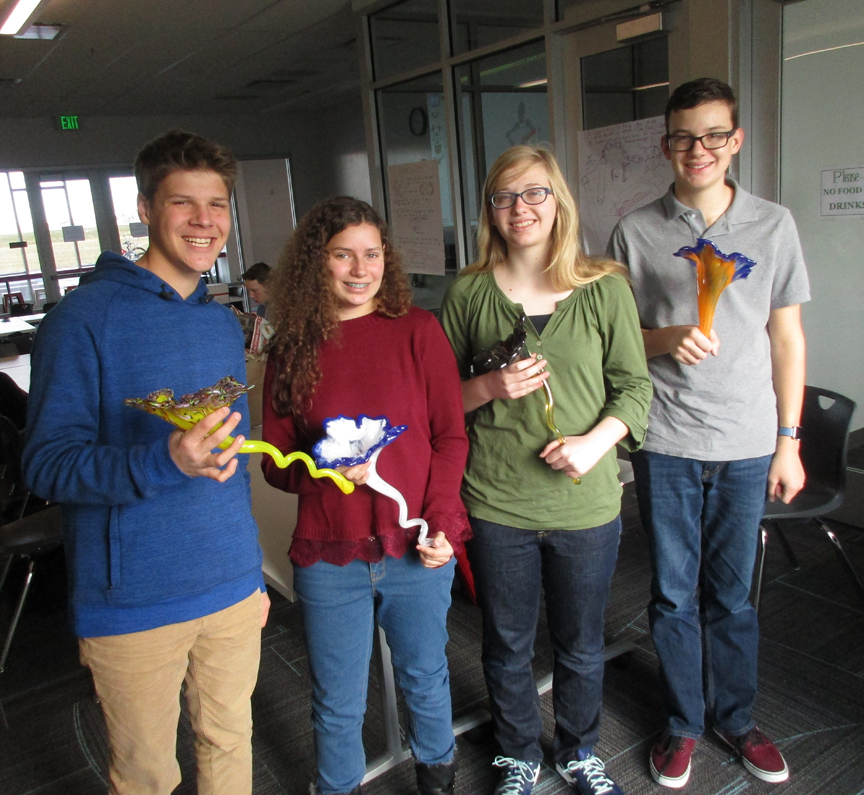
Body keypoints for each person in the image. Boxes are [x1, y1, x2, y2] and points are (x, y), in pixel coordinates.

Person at [22, 129, 269, 795]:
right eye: (183, 203)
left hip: (231, 587)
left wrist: (249, 572)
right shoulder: (80, 321)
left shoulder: (220, 321)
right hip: (132, 602)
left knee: (229, 745)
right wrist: (164, 459)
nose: (204, 221)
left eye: (216, 204)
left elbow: (227, 451)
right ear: (145, 209)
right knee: (147, 776)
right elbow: (46, 464)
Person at [608, 78, 810, 789]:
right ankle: (684, 722)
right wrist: (666, 339)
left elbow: (787, 339)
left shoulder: (774, 224)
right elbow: (619, 340)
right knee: (671, 593)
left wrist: (789, 439)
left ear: (736, 141)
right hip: (666, 441)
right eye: (684, 137)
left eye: (714, 135)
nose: (699, 150)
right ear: (666, 145)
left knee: (730, 594)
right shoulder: (635, 230)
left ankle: (737, 714)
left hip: (749, 442)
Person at [440, 145, 652, 795]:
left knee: (581, 641)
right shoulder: (470, 292)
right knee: (505, 642)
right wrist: (490, 386)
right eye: (504, 197)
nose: (520, 208)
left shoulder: (603, 287)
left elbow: (635, 389)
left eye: (534, 193)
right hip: (497, 500)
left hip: (583, 502)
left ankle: (578, 748)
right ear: (490, 211)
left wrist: (596, 444)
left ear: (557, 199)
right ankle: (517, 753)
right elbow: (440, 397)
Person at [261, 196, 469, 795]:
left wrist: (442, 526)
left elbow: (450, 438)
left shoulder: (418, 332)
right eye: (342, 255)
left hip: (415, 546)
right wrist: (326, 469)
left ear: (387, 259)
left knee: (426, 677)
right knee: (336, 700)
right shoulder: (290, 348)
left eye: (371, 254)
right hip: (330, 555)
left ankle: (439, 778)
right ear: (314, 264)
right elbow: (278, 460)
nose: (359, 269)